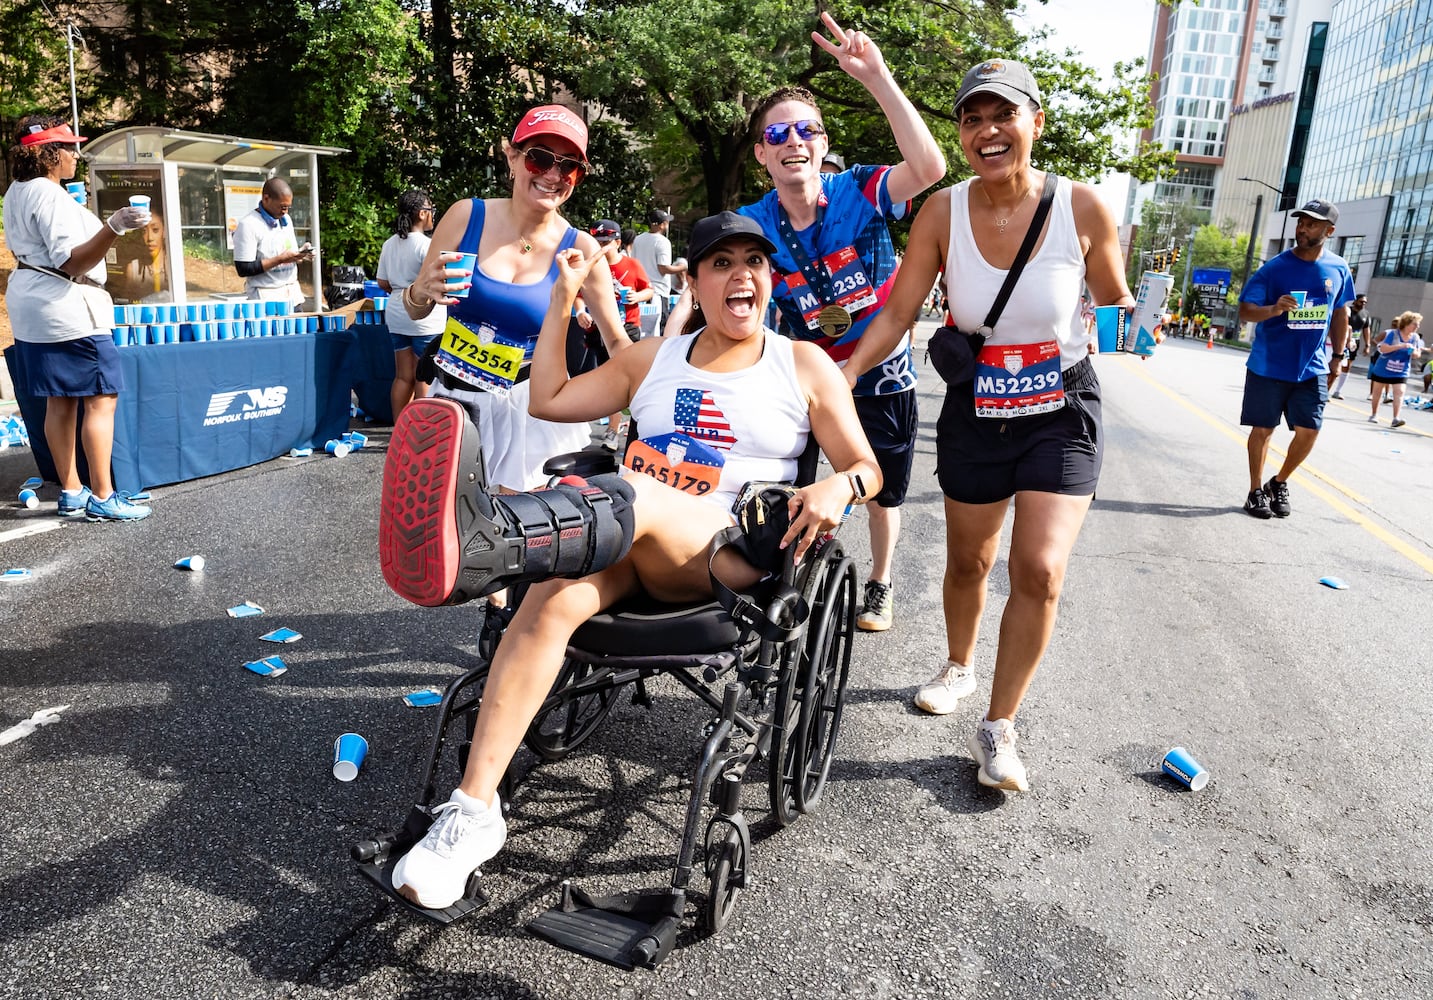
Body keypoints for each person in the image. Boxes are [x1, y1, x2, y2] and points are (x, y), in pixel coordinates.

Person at [385, 212, 881, 909]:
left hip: (725, 555)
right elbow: (551, 398)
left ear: (768, 280)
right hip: (629, 540)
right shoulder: (654, 358)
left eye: (754, 262)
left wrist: (838, 483)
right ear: (695, 281)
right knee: (552, 595)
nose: (742, 274)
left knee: (635, 488)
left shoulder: (799, 363)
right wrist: (562, 303)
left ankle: (489, 541)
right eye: (721, 263)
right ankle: (472, 812)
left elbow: (867, 469)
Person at [843, 59, 1134, 791]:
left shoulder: (1083, 207)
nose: (986, 131)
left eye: (1001, 114)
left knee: (1037, 568)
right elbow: (899, 312)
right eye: (971, 118)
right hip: (977, 408)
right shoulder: (941, 212)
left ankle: (999, 728)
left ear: (1034, 122)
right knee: (969, 562)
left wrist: (1118, 296)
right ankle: (958, 665)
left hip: (1058, 408)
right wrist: (844, 374)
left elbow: (1112, 298)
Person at [736, 11, 946, 634]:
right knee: (786, 477)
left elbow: (931, 169)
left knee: (882, 492)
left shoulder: (861, 190)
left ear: (822, 144)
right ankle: (781, 576)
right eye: (778, 134)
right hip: (806, 375)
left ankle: (879, 584)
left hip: (882, 372)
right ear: (761, 154)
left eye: (807, 130)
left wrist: (877, 77)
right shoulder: (755, 220)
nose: (793, 141)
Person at [397, 105, 631, 492]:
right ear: (512, 156)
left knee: (522, 538)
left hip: (530, 413)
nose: (553, 175)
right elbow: (415, 305)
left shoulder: (582, 248)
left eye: (569, 165)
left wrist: (664, 375)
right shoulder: (465, 216)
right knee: (445, 530)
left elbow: (616, 340)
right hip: (455, 402)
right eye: (540, 158)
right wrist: (420, 291)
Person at [3, 114, 153, 521]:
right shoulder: (48, 195)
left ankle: (71, 490)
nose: (75, 154)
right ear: (48, 153)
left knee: (59, 399)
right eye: (68, 147)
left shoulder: (18, 190)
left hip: (32, 299)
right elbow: (72, 262)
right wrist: (114, 226)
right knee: (101, 397)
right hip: (67, 306)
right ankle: (103, 496)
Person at [1237, 198, 1355, 520]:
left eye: (1311, 224)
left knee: (1309, 431)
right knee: (1263, 429)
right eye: (1301, 222)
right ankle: (1255, 490)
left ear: (1329, 230)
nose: (1302, 228)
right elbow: (1246, 310)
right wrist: (1274, 309)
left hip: (1313, 366)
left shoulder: (1338, 268)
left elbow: (1340, 312)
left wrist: (1338, 357)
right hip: (1269, 364)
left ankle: (1279, 481)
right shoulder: (1275, 268)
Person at [376, 189, 443, 421]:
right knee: (425, 376)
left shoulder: (389, 244)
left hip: (395, 311)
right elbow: (439, 280)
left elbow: (382, 281)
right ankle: (422, 431)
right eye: (431, 210)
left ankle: (399, 431)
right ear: (422, 213)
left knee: (403, 376)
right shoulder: (427, 246)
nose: (433, 215)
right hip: (425, 317)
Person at [232, 177, 311, 308]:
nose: (285, 211)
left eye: (288, 207)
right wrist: (280, 259)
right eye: (282, 207)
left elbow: (289, 254)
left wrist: (300, 255)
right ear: (266, 199)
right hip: (266, 299)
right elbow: (243, 268)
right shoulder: (249, 225)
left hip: (293, 296)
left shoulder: (286, 220)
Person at [630, 208, 686, 330]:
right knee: (658, 330)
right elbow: (663, 268)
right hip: (658, 292)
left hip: (640, 292)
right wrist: (683, 267)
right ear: (661, 225)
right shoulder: (663, 242)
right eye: (666, 221)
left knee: (641, 331)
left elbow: (633, 263)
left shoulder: (638, 239)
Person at [1367, 311, 1423, 427]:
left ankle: (1396, 418)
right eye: (1415, 324)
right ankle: (1374, 414)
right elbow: (1383, 348)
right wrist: (1401, 346)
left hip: (1401, 370)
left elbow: (1418, 353)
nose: (1417, 326)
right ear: (1406, 323)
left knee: (1400, 392)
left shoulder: (1415, 337)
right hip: (1384, 368)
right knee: (1377, 391)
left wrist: (1414, 353)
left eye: (1418, 324)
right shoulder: (1393, 334)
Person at [119, 209, 168, 302]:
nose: (150, 238)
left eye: (155, 230)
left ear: (164, 231)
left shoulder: (174, 267)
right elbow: (128, 304)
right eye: (144, 231)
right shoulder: (133, 269)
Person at [1331, 292, 1368, 399]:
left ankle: (1338, 391)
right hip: (1340, 341)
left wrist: (1367, 344)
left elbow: (1366, 329)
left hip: (1353, 344)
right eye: (1361, 301)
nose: (1363, 304)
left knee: (1347, 366)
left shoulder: (1365, 314)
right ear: (1355, 301)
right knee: (1333, 365)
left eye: (1365, 302)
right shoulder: (1347, 311)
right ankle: (1326, 387)